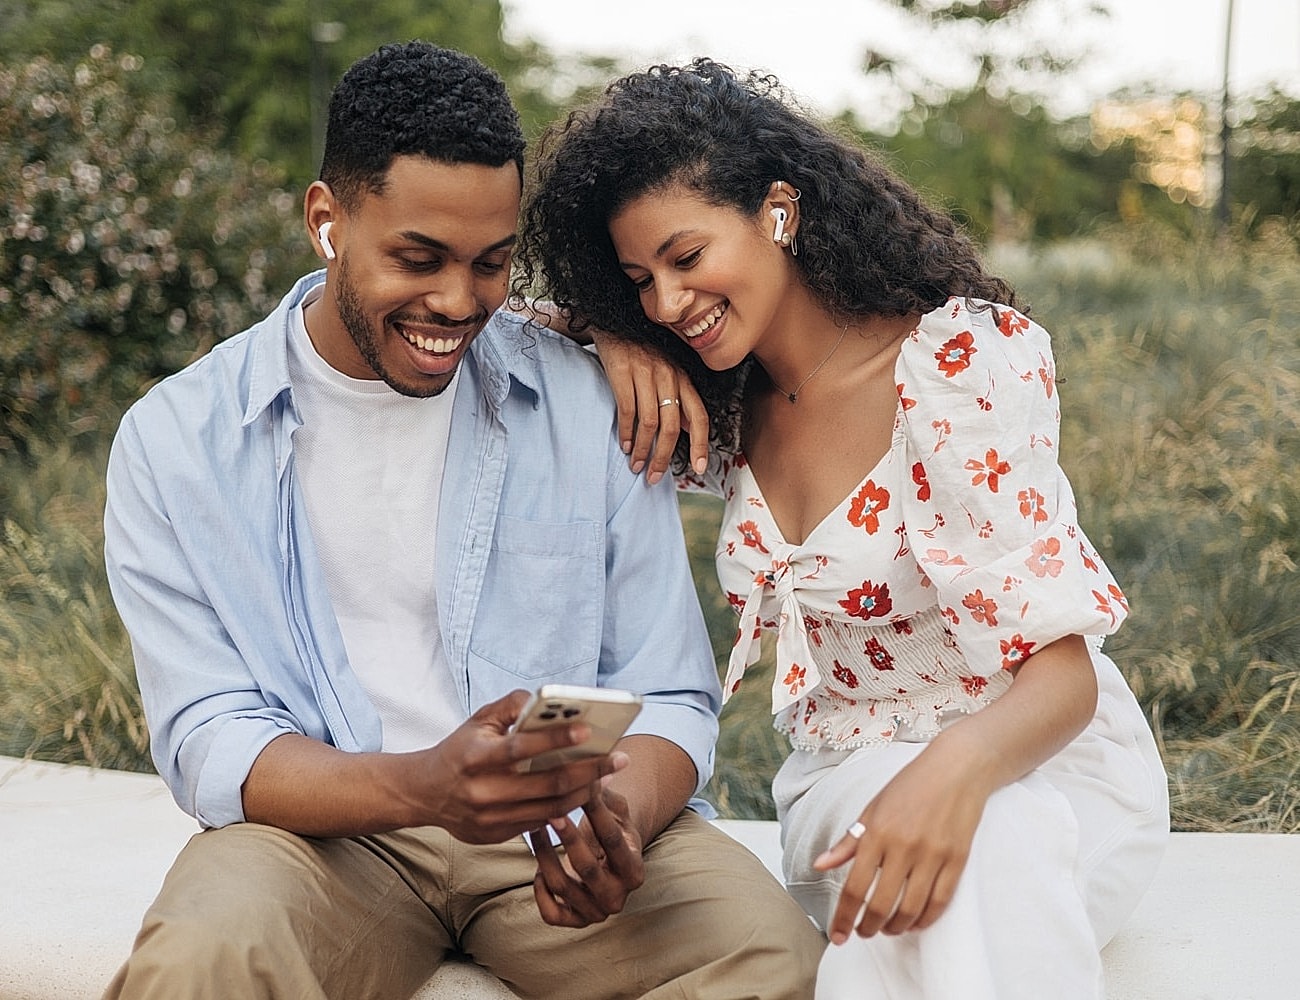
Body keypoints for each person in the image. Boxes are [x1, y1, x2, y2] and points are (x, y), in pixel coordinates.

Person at [101, 42, 823, 1000]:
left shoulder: (588, 401)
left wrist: (616, 811)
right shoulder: (177, 441)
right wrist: (425, 786)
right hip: (318, 839)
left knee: (776, 956)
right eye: (418, 258)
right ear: (328, 220)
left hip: (558, 827)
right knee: (201, 962)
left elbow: (666, 692)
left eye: (491, 264)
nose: (457, 301)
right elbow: (209, 737)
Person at [515, 58, 1171, 999]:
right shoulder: (717, 405)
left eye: (686, 257)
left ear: (778, 210)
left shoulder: (955, 366)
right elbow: (472, 303)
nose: (665, 302)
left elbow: (1061, 677)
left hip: (1044, 762)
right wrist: (609, 335)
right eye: (637, 280)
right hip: (848, 781)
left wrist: (957, 772)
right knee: (928, 859)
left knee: (995, 844)